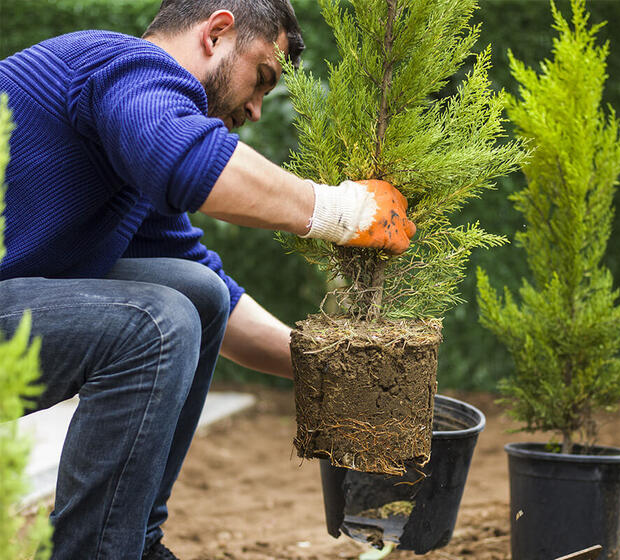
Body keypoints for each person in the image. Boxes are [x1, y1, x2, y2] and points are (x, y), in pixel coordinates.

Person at [0, 1, 416, 558]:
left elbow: (208, 287)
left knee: (195, 293)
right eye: (261, 78)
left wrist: (328, 369)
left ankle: (136, 544)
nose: (256, 108)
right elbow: (188, 163)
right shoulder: (124, 64)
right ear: (217, 33)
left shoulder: (127, 148)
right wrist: (345, 212)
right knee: (153, 323)